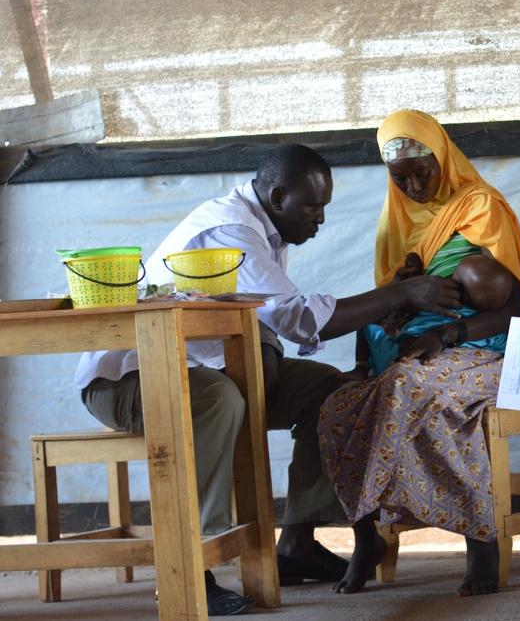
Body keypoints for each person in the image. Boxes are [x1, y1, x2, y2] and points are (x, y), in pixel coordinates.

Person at [75, 144, 462, 615]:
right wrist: (397, 293)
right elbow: (301, 318)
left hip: (207, 366)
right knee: (218, 399)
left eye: (324, 207)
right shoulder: (231, 229)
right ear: (278, 196)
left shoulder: (264, 228)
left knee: (335, 392)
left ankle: (297, 541)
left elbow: (262, 318)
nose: (319, 219)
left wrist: (268, 352)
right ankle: (190, 567)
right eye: (312, 206)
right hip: (130, 378)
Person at [317, 109, 520, 597]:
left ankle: (477, 534)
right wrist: (392, 313)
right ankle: (366, 533)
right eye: (402, 178)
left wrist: (447, 335)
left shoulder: (480, 206)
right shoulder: (394, 221)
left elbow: (516, 309)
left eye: (424, 171)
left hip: (486, 347)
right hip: (408, 351)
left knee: (413, 390)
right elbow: (383, 301)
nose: (415, 185)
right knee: (339, 406)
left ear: (442, 156)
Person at [358, 251, 514, 375]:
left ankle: (361, 367)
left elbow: (408, 328)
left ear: (457, 289)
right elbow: (504, 347)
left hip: (406, 356)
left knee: (367, 324)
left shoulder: (437, 310)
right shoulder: (492, 330)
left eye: (453, 276)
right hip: (467, 366)